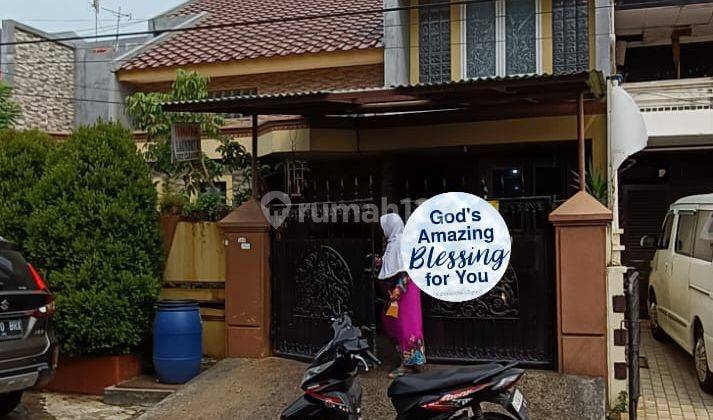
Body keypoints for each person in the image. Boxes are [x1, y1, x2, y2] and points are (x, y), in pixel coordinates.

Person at [376, 213, 426, 379]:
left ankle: (409, 365)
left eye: (384, 227)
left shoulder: (400, 242)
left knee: (406, 326)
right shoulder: (394, 243)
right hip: (400, 291)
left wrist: (399, 288)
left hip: (406, 291)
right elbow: (394, 265)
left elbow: (406, 268)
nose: (383, 231)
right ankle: (406, 361)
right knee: (393, 323)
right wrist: (381, 263)